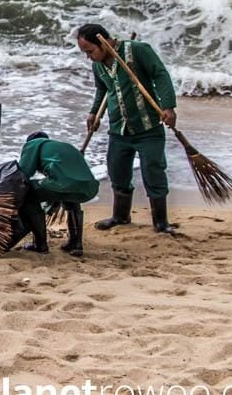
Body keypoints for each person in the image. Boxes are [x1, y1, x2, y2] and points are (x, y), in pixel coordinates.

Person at [77, 24, 177, 234]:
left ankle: (161, 222)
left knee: (154, 171)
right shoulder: (98, 65)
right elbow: (102, 90)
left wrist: (168, 106)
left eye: (90, 51)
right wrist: (94, 113)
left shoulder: (137, 50)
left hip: (147, 127)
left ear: (103, 41)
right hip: (118, 129)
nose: (89, 57)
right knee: (118, 172)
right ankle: (120, 216)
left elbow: (160, 75)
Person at [17, 131, 100, 256]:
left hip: (63, 183)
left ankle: (40, 244)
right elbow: (69, 175)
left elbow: (23, 173)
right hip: (88, 187)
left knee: (29, 195)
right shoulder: (66, 146)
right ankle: (76, 243)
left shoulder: (33, 144)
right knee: (71, 198)